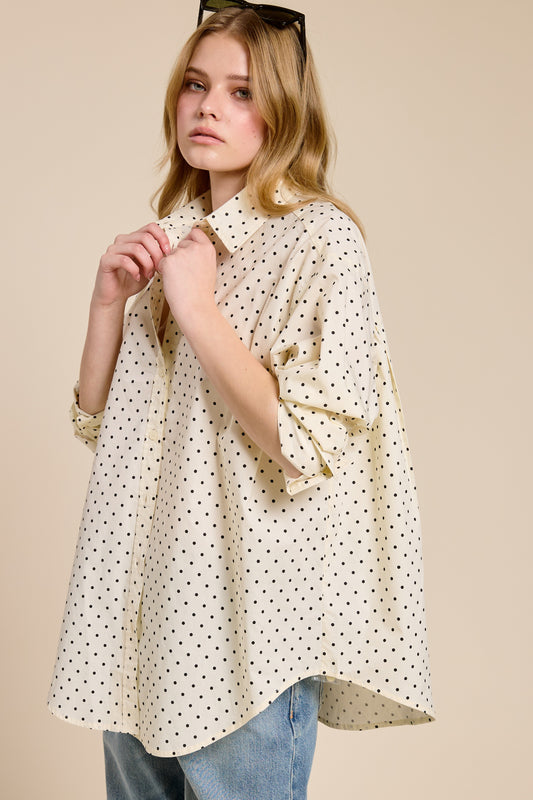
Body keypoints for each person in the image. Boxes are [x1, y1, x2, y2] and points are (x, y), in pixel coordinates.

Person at [48, 2, 435, 798]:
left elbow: (306, 439)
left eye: (241, 91)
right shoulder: (176, 238)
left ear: (286, 112)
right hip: (139, 612)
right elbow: (97, 420)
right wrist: (105, 306)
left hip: (245, 625)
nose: (209, 107)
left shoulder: (321, 240)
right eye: (195, 85)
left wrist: (197, 309)